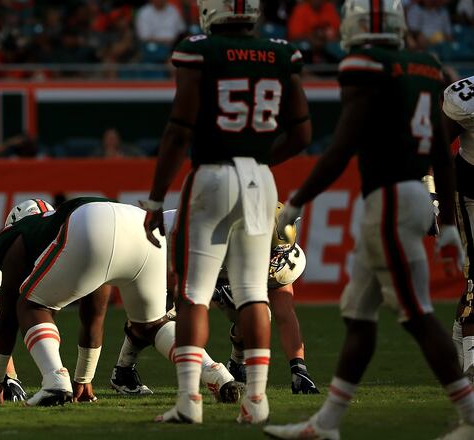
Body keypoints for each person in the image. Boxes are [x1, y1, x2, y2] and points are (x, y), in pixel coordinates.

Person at [264, 0, 474, 438]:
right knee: (358, 312)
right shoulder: (425, 64)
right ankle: (327, 423)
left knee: (416, 314)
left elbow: (344, 143)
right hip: (408, 194)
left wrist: (300, 199)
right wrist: (451, 225)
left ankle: (472, 416)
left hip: (392, 198)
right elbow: (441, 153)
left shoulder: (363, 65)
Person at [140, 0, 311, 425]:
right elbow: (303, 132)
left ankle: (188, 401)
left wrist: (157, 198)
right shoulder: (280, 52)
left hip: (213, 175)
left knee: (194, 292)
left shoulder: (199, 50)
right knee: (254, 292)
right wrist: (258, 157)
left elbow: (179, 128)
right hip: (259, 180)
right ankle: (256, 401)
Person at [0, 198, 238, 406]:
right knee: (152, 325)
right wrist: (84, 379)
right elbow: (95, 311)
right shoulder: (57, 222)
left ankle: (54, 380)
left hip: (93, 223)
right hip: (141, 227)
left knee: (30, 305)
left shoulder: (19, 233)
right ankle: (215, 373)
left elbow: (7, 311)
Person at [113, 204, 320, 396]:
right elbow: (171, 285)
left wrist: (298, 367)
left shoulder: (279, 262)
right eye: (269, 253)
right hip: (161, 249)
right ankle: (123, 370)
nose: (274, 261)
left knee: (259, 314)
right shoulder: (203, 237)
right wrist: (210, 292)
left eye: (277, 253)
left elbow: (285, 315)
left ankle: (238, 365)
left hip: (214, 274)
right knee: (158, 312)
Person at [443, 75, 474, 384]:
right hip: (471, 193)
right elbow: (437, 145)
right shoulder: (466, 96)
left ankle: (459, 355)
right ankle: (472, 364)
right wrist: (430, 190)